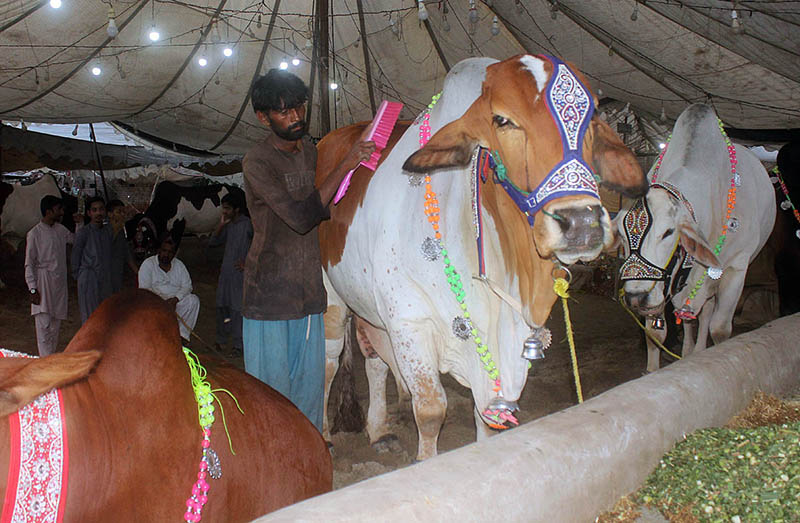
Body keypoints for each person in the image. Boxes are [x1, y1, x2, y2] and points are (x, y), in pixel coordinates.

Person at [242, 68, 375, 431]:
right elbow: (301, 218)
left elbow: (328, 203)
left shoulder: (311, 153)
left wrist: (352, 171)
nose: (296, 118)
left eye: (299, 108)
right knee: (271, 397)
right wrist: (347, 162)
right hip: (270, 296)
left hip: (309, 294)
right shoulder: (257, 162)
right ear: (263, 117)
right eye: (284, 112)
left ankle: (307, 466)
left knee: (309, 393)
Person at [25, 195, 78, 356]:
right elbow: (29, 263)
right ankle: (44, 362)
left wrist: (80, 223)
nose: (61, 212)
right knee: (44, 326)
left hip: (59, 282)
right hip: (43, 282)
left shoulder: (60, 230)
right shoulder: (34, 233)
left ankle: (50, 361)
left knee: (55, 325)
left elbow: (76, 240)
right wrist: (33, 289)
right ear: (49, 211)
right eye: (58, 209)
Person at [208, 191, 252, 357]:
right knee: (222, 308)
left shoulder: (247, 225)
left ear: (237, 209)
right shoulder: (228, 225)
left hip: (239, 277)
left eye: (227, 208)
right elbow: (213, 242)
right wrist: (220, 225)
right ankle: (221, 341)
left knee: (237, 310)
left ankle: (238, 346)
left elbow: (259, 246)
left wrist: (248, 263)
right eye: (223, 208)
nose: (224, 212)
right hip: (225, 275)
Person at [138, 235, 200, 344]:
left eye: (170, 252)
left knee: (193, 300)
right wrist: (162, 303)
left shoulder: (179, 265)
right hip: (155, 303)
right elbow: (144, 290)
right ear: (158, 250)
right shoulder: (148, 264)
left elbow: (187, 286)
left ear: (174, 254)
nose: (166, 254)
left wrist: (174, 300)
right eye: (164, 250)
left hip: (174, 303)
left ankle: (181, 338)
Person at [71, 196, 113, 324]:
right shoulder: (84, 233)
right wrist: (79, 276)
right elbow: (75, 255)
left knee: (105, 315)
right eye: (94, 210)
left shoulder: (108, 232)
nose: (98, 213)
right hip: (88, 277)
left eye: (101, 209)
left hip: (104, 278)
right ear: (89, 213)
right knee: (90, 318)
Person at [107, 199, 139, 293]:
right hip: (105, 274)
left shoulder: (121, 231)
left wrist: (137, 271)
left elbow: (126, 252)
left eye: (123, 212)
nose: (122, 215)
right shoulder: (103, 231)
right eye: (119, 212)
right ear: (110, 214)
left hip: (118, 272)